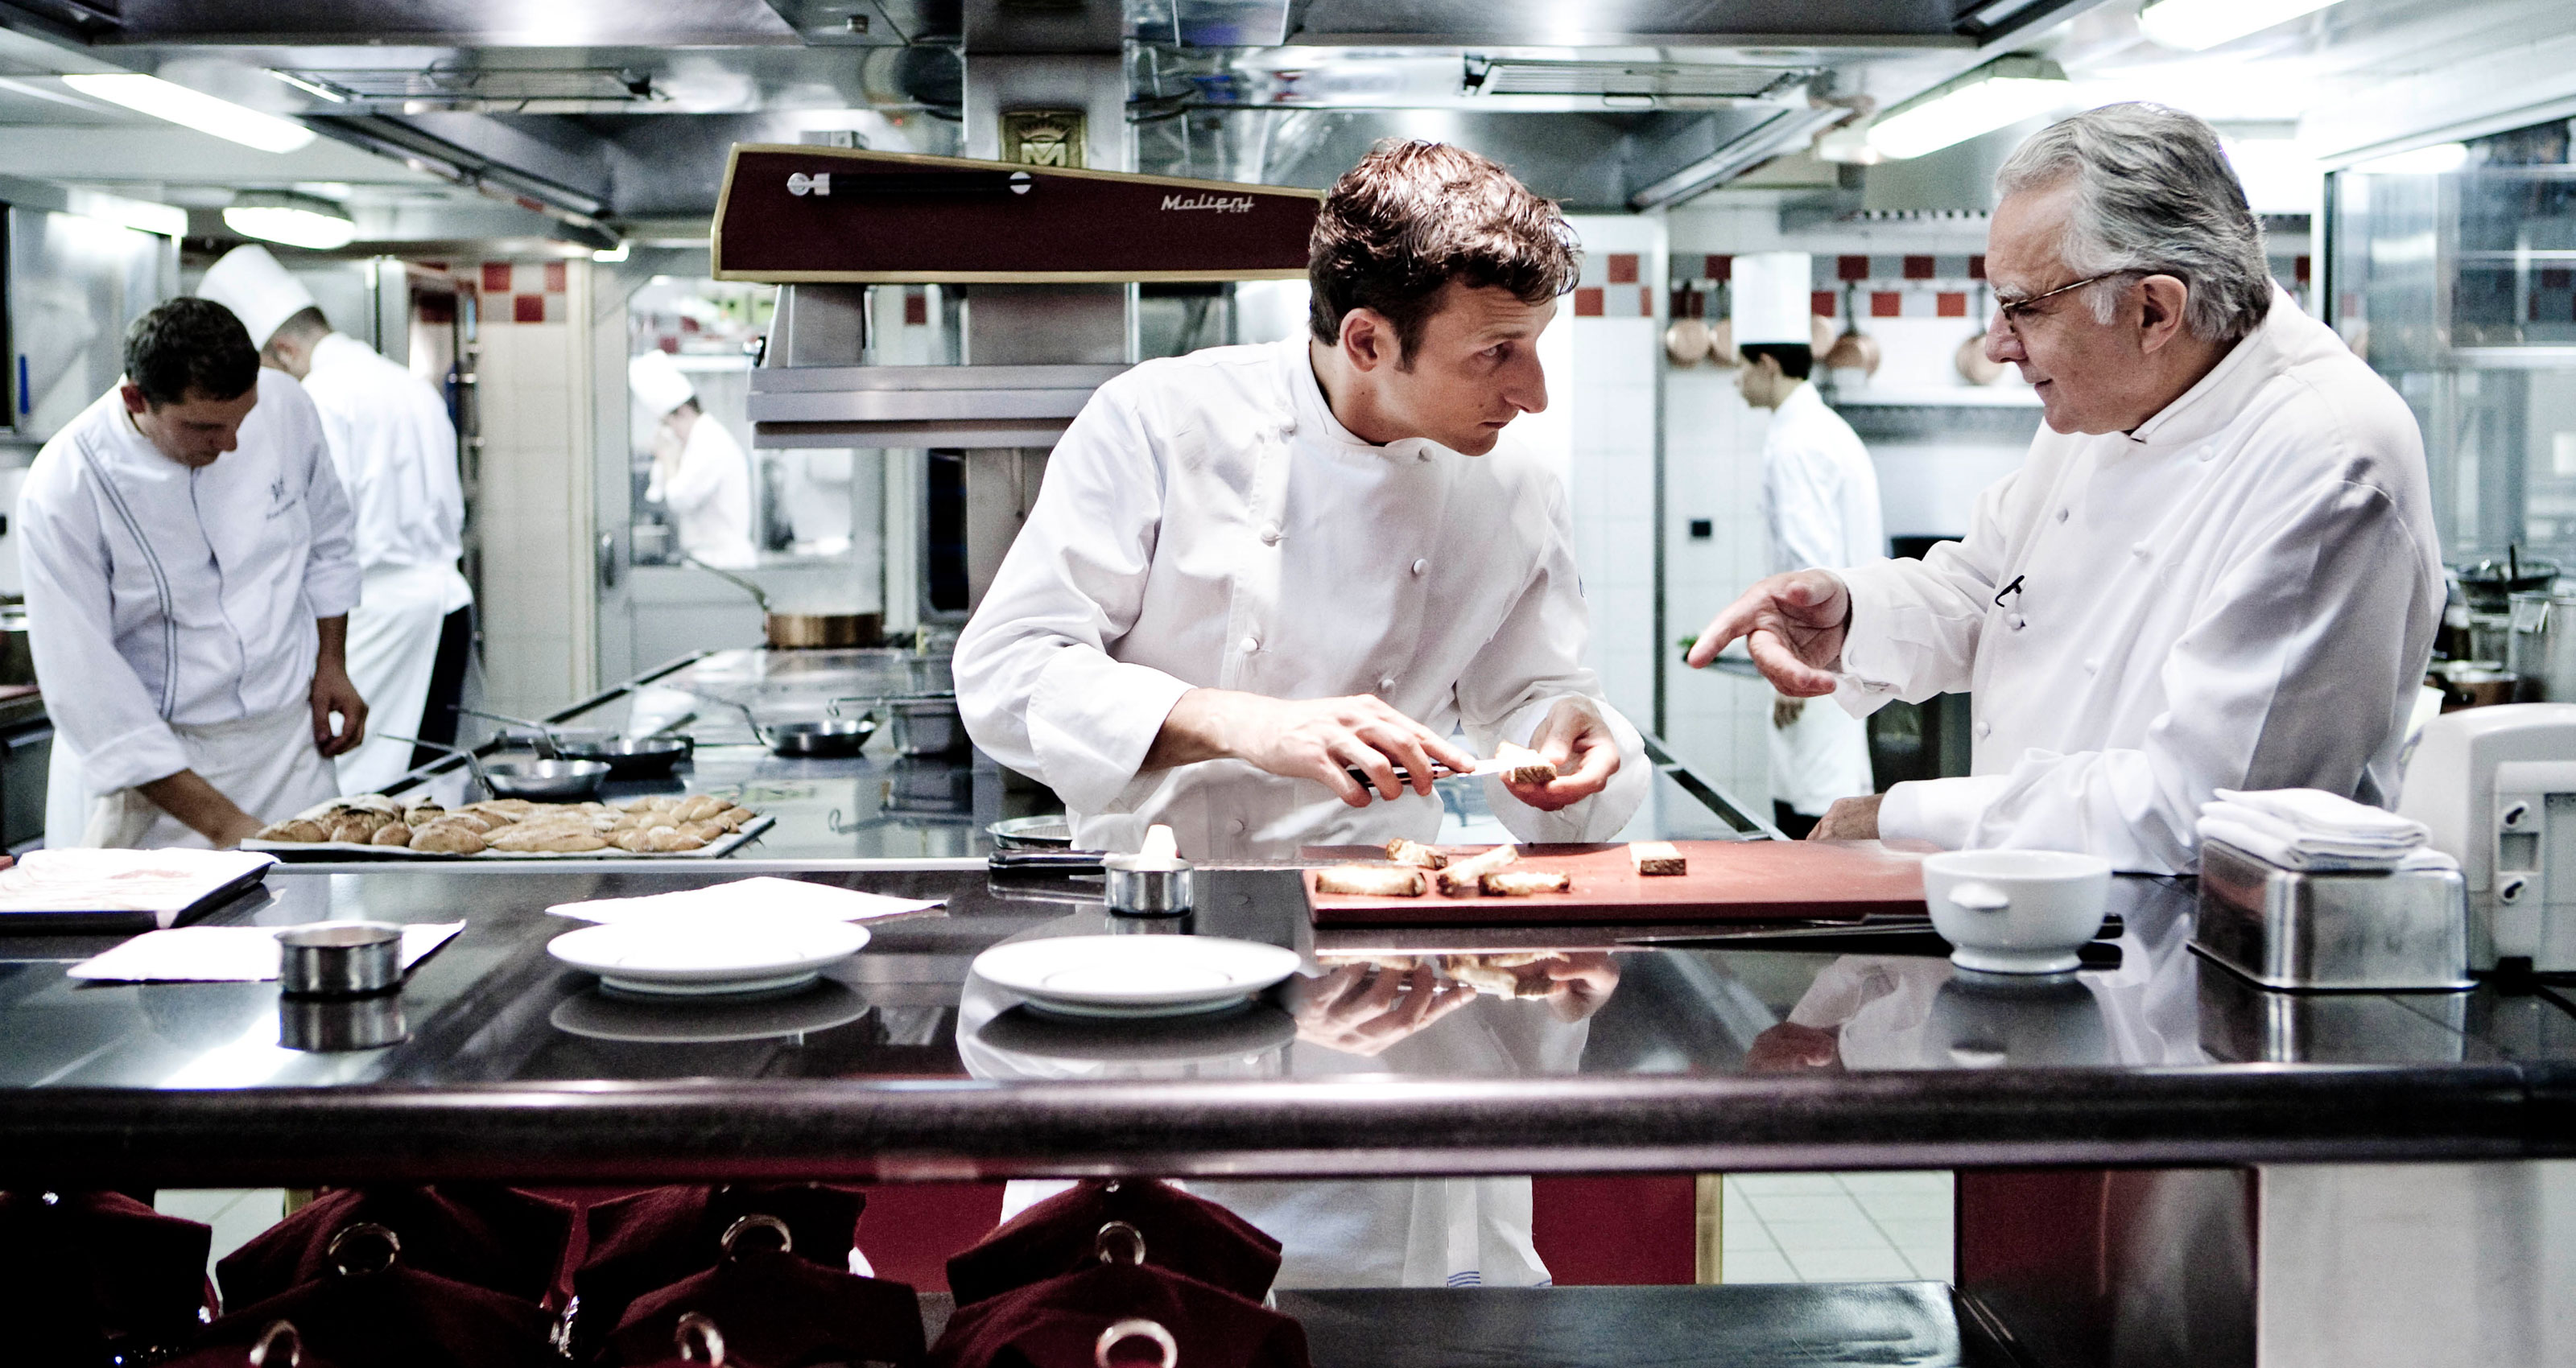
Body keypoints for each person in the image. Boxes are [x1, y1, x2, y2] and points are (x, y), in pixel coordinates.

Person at [1686, 102, 2444, 874]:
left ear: (2155, 310)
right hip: (2039, 917)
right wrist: (1850, 613)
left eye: (2025, 309)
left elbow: (2203, 813)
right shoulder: (2112, 397)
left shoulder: (2330, 459)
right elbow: (1991, 585)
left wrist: (1912, 812)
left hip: (2191, 959)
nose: (1996, 344)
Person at [955, 139, 1646, 859]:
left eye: (1535, 346)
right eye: (1495, 353)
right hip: (1157, 915)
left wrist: (1562, 732)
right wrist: (1248, 725)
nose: (1534, 396)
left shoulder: (1515, 486)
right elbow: (1008, 673)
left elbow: (1528, 698)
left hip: (1382, 911)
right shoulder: (1160, 420)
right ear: (1367, 343)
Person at [22, 298, 365, 849]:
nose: (229, 444)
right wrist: (227, 826)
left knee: (304, 930)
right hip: (157, 781)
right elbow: (88, 690)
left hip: (286, 749)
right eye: (204, 427)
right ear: (136, 398)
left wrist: (332, 663)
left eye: (241, 421)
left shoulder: (286, 406)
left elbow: (328, 539)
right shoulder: (66, 486)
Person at [196, 245, 474, 793]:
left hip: (377, 620)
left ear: (283, 349)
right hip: (448, 607)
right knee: (431, 781)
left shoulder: (319, 397)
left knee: (366, 791)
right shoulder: (406, 383)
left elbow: (318, 533)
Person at [1729, 252, 1885, 839]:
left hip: (1821, 657)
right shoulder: (1820, 430)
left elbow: (1807, 564)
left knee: (1815, 821)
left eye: (1742, 367)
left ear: (1768, 364)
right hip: (1839, 651)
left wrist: (1792, 666)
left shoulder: (1797, 443)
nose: (1736, 380)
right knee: (1825, 803)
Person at [630, 348, 755, 567]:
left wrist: (668, 457)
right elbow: (661, 493)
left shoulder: (710, 443)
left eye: (668, 425)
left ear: (684, 412)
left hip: (722, 563)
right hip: (707, 561)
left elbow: (680, 498)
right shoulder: (696, 443)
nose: (669, 433)